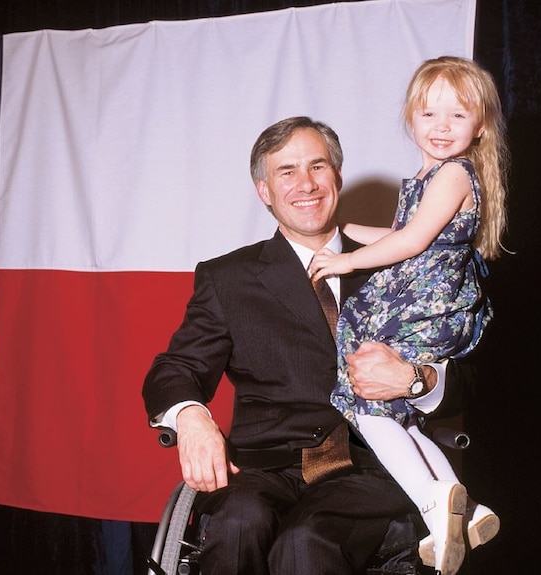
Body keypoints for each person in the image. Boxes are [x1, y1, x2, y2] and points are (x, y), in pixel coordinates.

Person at [143, 115, 471, 574]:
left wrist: (417, 379)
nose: (306, 184)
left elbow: (467, 375)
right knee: (238, 524)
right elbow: (175, 369)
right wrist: (192, 416)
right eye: (287, 171)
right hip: (264, 469)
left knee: (305, 542)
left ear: (337, 175)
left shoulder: (399, 260)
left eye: (317, 167)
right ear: (264, 190)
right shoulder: (229, 278)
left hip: (373, 466)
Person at [311, 56, 508, 575]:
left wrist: (348, 258)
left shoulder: (454, 173)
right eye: (429, 114)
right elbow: (416, 238)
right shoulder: (431, 175)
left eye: (458, 116)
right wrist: (351, 231)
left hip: (425, 305)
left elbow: (414, 240)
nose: (441, 127)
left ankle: (430, 504)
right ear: (409, 118)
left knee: (366, 405)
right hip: (426, 296)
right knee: (397, 413)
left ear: (481, 125)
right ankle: (463, 511)